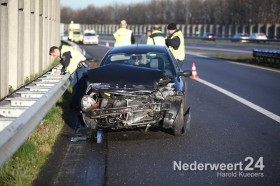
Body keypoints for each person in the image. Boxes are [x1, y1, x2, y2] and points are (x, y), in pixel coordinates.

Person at [49, 45, 89, 111]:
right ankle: (75, 106)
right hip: (78, 68)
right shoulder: (64, 51)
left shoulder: (65, 51)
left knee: (81, 88)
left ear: (55, 50)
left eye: (53, 55)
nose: (54, 56)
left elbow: (66, 63)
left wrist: (61, 66)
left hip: (82, 68)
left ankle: (82, 106)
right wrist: (61, 71)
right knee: (75, 87)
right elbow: (68, 65)